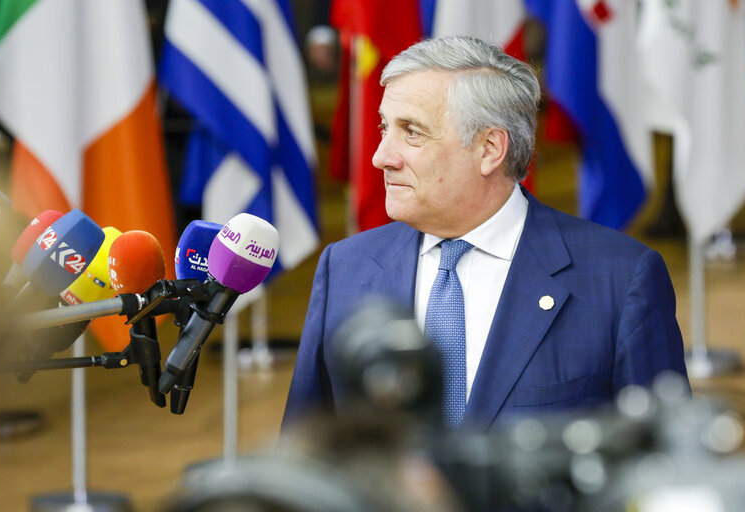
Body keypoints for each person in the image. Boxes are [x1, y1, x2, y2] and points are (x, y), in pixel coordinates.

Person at [283, 35, 688, 431]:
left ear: (490, 148)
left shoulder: (619, 279)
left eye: (412, 132)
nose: (381, 156)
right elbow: (304, 454)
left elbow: (667, 464)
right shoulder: (346, 268)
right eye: (384, 127)